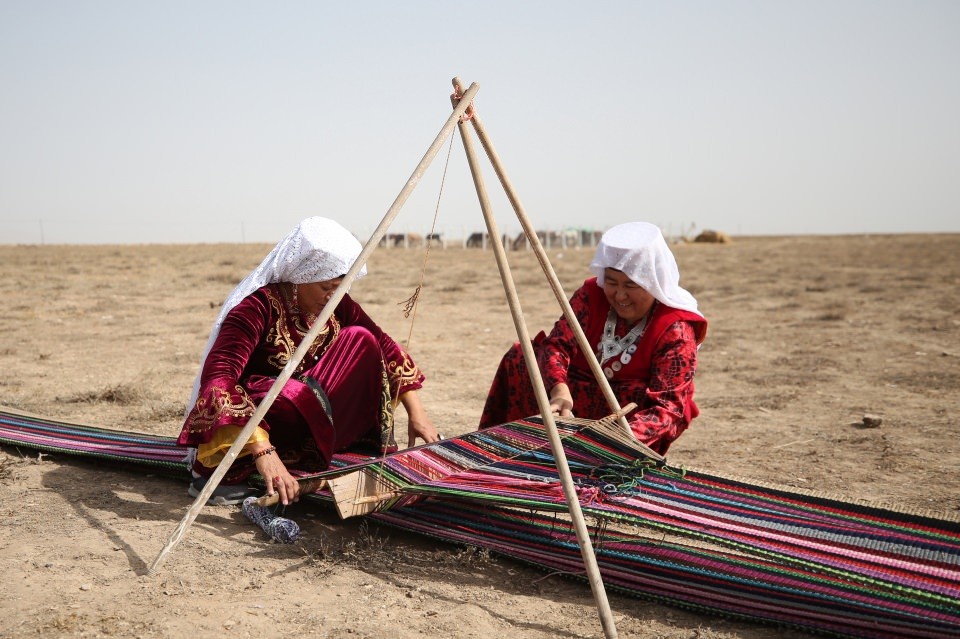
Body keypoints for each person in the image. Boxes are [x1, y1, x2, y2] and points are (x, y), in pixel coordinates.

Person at [178, 217, 439, 506]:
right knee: (295, 393)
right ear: (301, 274)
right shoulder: (256, 308)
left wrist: (417, 413)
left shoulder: (335, 302)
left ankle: (334, 450)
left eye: (340, 287)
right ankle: (240, 468)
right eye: (326, 286)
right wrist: (262, 449)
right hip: (262, 421)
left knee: (362, 339)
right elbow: (220, 377)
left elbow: (384, 344)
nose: (332, 296)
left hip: (313, 416)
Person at [478, 221, 707, 455]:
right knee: (521, 358)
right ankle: (503, 450)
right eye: (611, 282)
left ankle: (590, 457)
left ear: (653, 282)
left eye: (631, 285)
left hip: (624, 423)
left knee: (638, 399)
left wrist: (606, 442)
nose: (620, 295)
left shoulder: (675, 329)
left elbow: (668, 408)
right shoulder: (590, 297)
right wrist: (558, 390)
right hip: (572, 404)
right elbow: (557, 345)